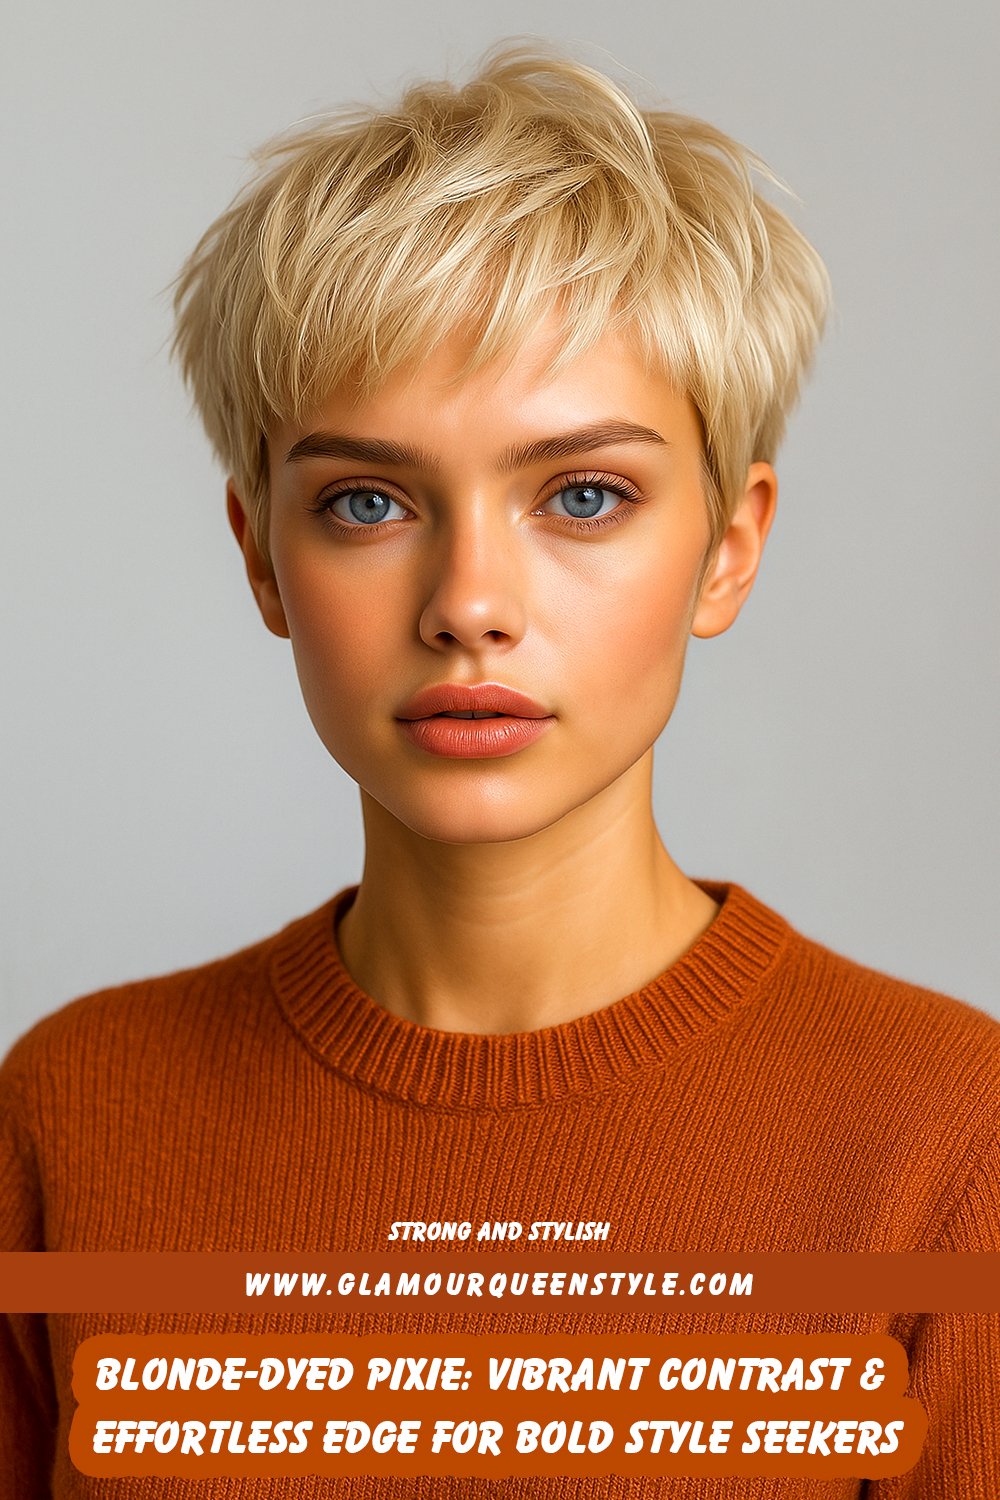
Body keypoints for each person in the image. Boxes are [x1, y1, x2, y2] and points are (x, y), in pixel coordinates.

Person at [1, 40, 996, 1500]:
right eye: (366, 502)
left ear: (729, 548)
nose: (470, 602)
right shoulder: (73, 1115)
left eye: (583, 494)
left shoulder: (948, 1138)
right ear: (261, 557)